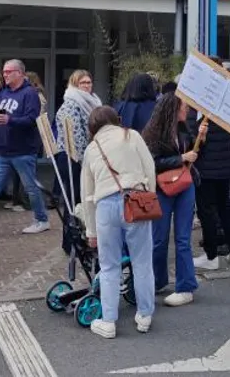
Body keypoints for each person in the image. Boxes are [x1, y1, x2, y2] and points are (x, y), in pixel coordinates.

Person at [80, 106, 157, 339]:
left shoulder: (92, 149)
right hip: (136, 201)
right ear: (115, 120)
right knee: (142, 262)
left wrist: (90, 230)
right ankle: (144, 315)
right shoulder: (132, 135)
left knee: (109, 266)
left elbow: (87, 193)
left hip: (105, 205)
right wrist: (149, 198)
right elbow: (150, 169)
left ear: (93, 128)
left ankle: (109, 321)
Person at [142, 94, 198, 308]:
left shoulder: (183, 128)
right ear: (173, 109)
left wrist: (199, 138)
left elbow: (192, 150)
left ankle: (186, 287)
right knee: (159, 238)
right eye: (184, 107)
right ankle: (157, 280)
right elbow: (152, 162)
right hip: (163, 187)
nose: (187, 111)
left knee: (183, 238)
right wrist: (181, 159)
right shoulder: (153, 134)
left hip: (184, 185)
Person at [0, 59, 50, 234]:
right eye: (3, 72)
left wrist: (10, 120)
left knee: (30, 188)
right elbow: (0, 118)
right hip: (4, 151)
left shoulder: (30, 94)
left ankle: (42, 219)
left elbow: (32, 120)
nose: (4, 75)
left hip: (23, 151)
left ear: (19, 73)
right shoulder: (3, 94)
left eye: (8, 72)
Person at [192, 108, 230, 271]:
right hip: (225, 167)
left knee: (207, 212)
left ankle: (211, 256)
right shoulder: (228, 113)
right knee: (225, 209)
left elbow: (196, 145)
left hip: (206, 170)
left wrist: (201, 136)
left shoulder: (203, 116)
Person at [54, 69, 102, 208]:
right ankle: (72, 229)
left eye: (89, 82)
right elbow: (76, 136)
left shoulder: (93, 101)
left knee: (83, 198)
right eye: (83, 83)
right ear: (75, 84)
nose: (87, 86)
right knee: (75, 200)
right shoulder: (71, 103)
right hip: (73, 157)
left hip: (87, 155)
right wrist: (85, 161)